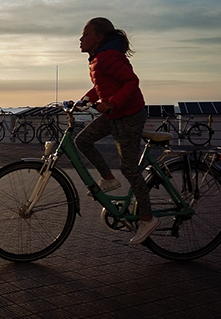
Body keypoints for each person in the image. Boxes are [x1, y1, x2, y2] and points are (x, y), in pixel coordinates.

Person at [73, 17, 159, 244]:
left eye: (85, 34)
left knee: (130, 170)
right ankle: (109, 179)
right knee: (82, 141)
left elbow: (131, 82)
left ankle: (148, 219)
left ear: (99, 38)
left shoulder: (107, 57)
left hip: (129, 115)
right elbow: (101, 85)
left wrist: (112, 102)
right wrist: (85, 100)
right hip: (114, 115)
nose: (81, 39)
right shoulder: (97, 60)